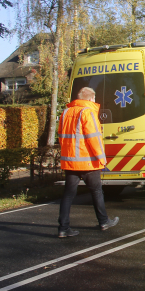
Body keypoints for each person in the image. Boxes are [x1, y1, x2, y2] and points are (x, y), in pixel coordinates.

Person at [57, 87, 119, 238]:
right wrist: (102, 159)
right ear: (91, 99)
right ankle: (104, 222)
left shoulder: (65, 112)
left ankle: (63, 228)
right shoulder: (87, 112)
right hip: (88, 162)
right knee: (97, 191)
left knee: (68, 195)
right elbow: (94, 138)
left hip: (70, 161)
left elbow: (61, 136)